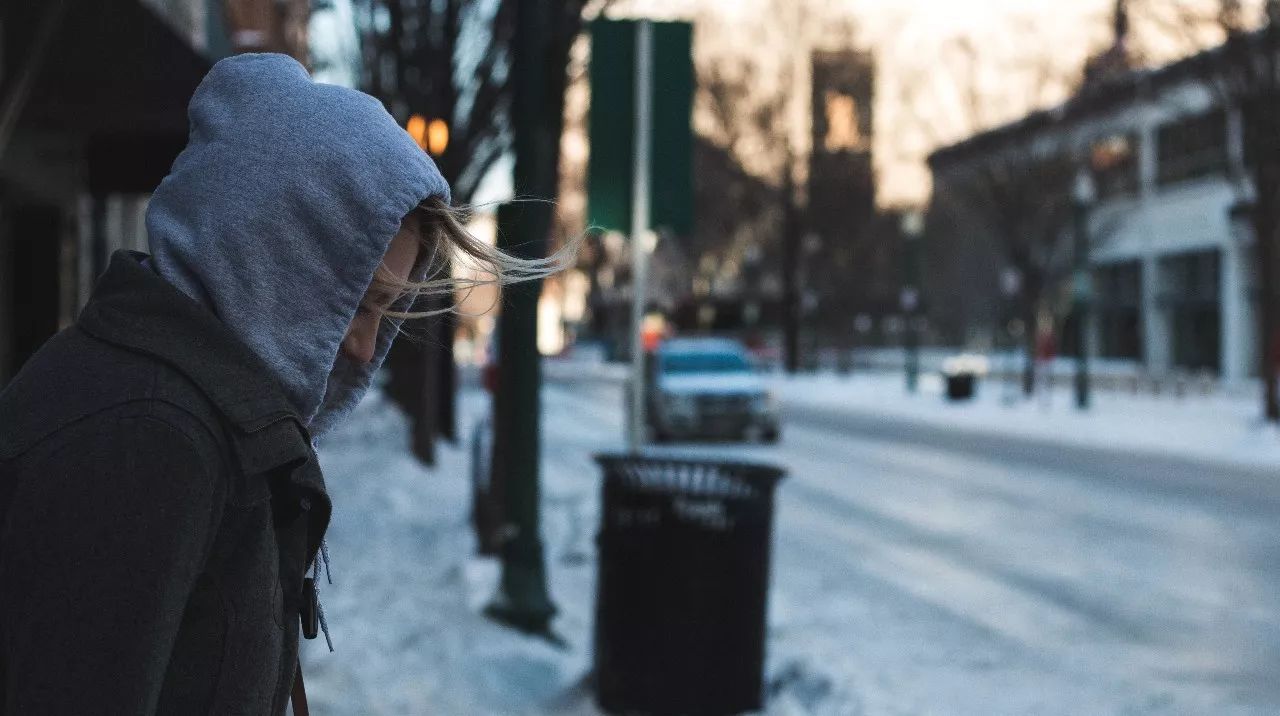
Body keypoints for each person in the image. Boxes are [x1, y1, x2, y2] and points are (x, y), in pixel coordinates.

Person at [0, 54, 565, 715]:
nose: (360, 346)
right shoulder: (149, 435)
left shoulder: (183, 416)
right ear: (270, 261)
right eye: (355, 304)